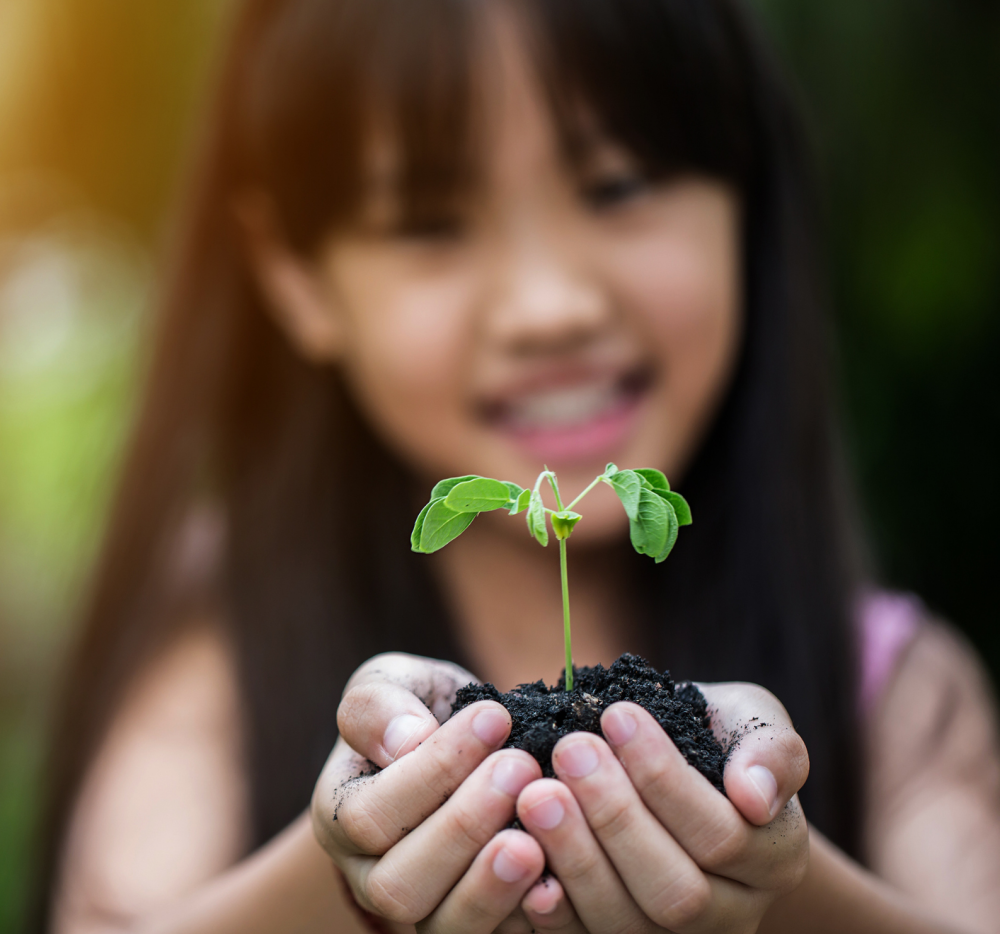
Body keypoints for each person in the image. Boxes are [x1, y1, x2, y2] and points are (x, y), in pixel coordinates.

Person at [31, 0, 1000, 931]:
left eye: (618, 184)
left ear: (746, 200)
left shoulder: (900, 702)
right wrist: (344, 867)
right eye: (429, 222)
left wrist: (767, 870)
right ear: (295, 276)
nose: (548, 307)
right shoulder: (208, 665)